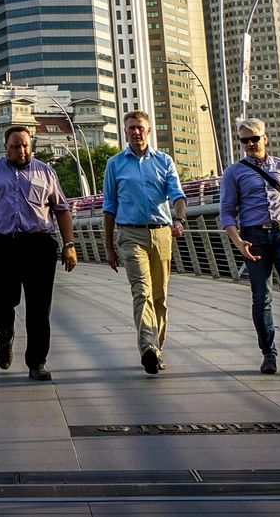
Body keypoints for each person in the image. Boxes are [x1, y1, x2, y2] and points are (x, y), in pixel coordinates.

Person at [0, 125, 78, 381]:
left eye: (26, 145)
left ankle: (37, 362)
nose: (22, 150)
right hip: (3, 244)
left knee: (39, 307)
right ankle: (5, 333)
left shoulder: (46, 172)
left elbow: (61, 210)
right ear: (5, 148)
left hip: (38, 244)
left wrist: (69, 244)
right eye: (16, 146)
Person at [218, 117, 280, 375]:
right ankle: (268, 353)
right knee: (262, 297)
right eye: (245, 140)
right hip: (253, 238)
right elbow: (227, 212)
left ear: (265, 138)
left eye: (254, 138)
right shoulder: (234, 172)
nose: (250, 144)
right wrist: (238, 241)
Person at [101, 110, 188, 375]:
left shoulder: (164, 161)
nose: (136, 132)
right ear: (125, 132)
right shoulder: (114, 164)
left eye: (140, 128)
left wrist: (180, 219)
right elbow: (109, 207)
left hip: (162, 233)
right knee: (142, 291)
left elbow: (177, 194)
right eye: (131, 128)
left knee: (160, 296)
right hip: (130, 234)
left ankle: (156, 348)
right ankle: (148, 348)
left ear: (148, 131)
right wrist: (108, 246)